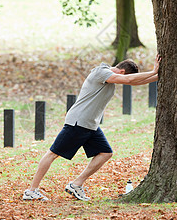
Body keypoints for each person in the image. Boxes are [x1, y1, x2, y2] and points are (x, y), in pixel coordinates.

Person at [23, 55, 161, 201]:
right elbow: (129, 80)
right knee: (52, 154)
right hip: (78, 122)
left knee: (105, 153)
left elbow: (134, 82)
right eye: (124, 78)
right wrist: (152, 71)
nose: (124, 82)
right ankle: (31, 190)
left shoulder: (111, 77)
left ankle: (76, 184)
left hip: (90, 125)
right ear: (121, 72)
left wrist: (159, 75)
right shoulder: (101, 72)